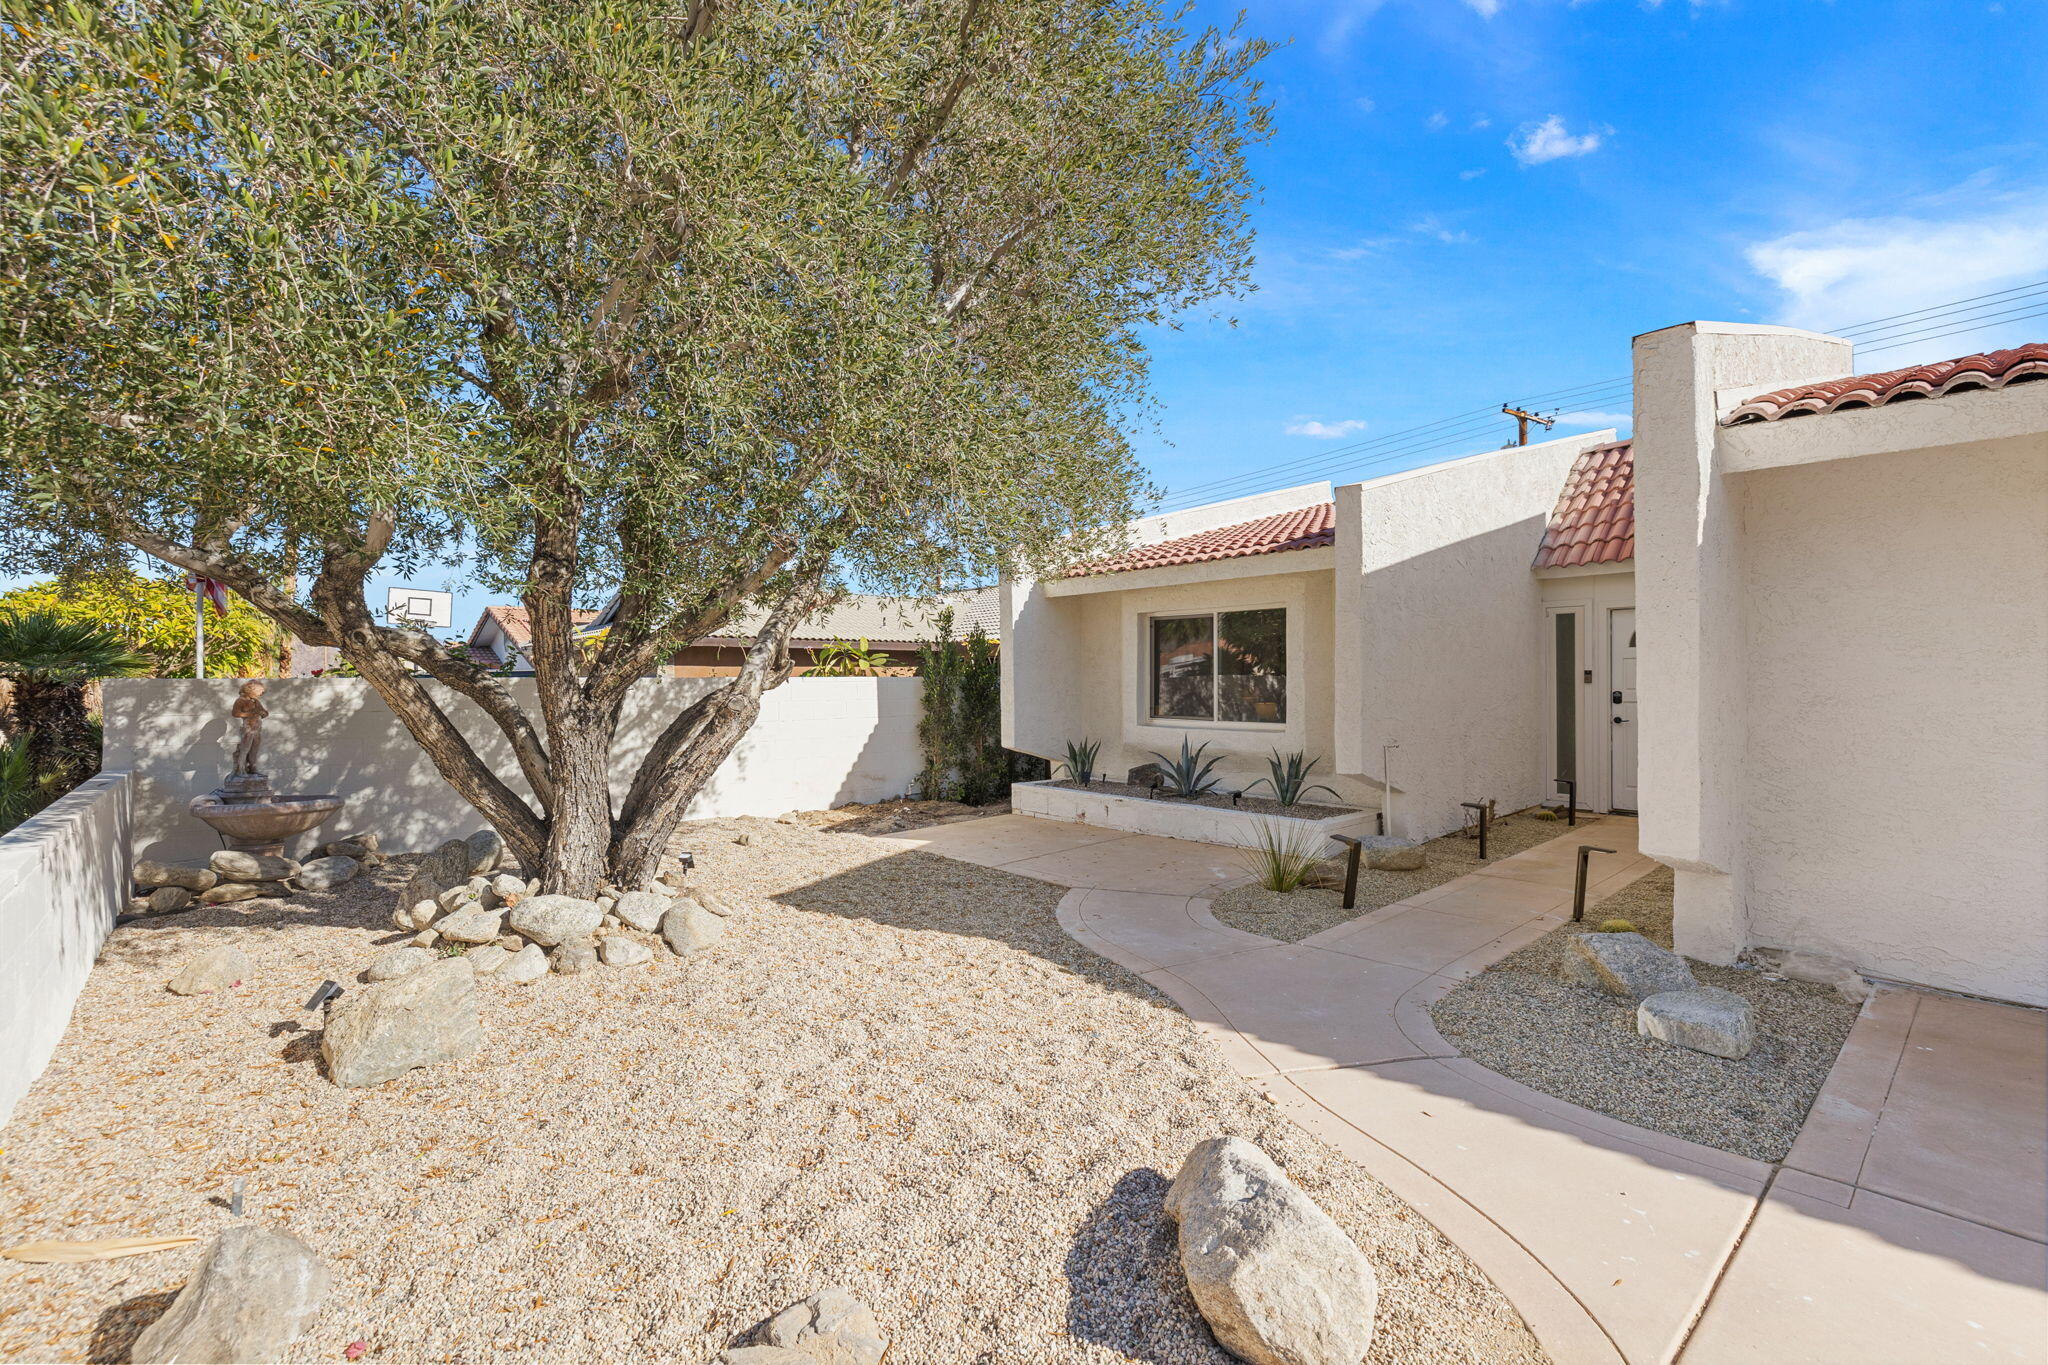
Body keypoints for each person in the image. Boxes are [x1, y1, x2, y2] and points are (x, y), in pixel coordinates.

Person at [230, 680, 268, 775]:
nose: (261, 693)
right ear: (252, 689)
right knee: (245, 749)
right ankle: (240, 769)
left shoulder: (256, 701)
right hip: (248, 728)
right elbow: (235, 713)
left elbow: (265, 712)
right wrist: (251, 713)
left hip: (257, 729)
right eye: (260, 691)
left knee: (254, 750)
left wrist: (263, 713)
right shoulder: (241, 700)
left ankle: (253, 768)